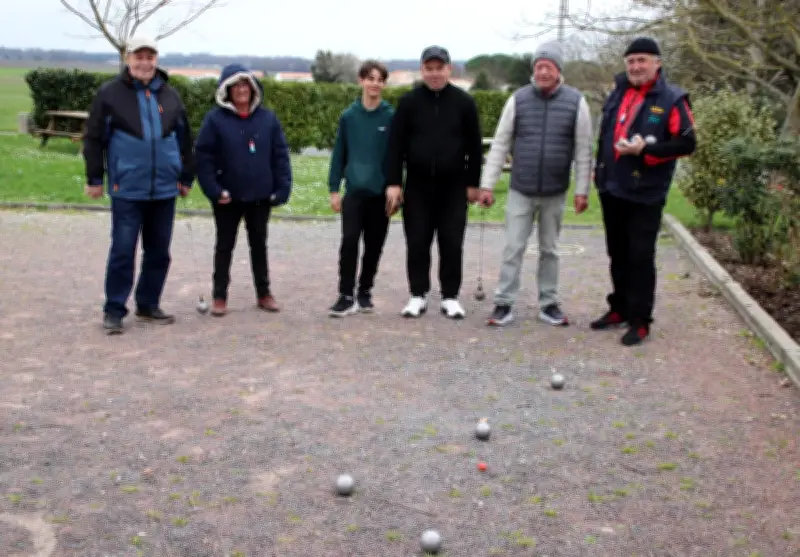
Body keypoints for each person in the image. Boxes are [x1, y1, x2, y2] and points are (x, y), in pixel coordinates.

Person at [83, 36, 195, 335]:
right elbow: (93, 138)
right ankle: (114, 310)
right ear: (128, 59)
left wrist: (185, 177)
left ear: (156, 59)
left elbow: (185, 140)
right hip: (127, 188)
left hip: (164, 189)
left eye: (150, 56)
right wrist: (94, 178)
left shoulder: (171, 95)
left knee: (159, 252)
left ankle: (148, 303)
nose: (145, 63)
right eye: (139, 56)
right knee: (122, 249)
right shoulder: (109, 94)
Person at [479, 41, 594, 328]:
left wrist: (582, 191)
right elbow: (500, 143)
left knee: (550, 250)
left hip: (555, 191)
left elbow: (583, 150)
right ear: (533, 70)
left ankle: (549, 303)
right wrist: (487, 185)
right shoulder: (517, 99)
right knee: (513, 248)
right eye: (539, 66)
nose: (543, 71)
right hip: (521, 188)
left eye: (549, 66)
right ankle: (503, 303)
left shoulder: (576, 102)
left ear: (558, 70)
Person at [591, 37, 696, 345]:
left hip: (646, 191)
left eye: (642, 60)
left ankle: (640, 319)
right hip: (612, 186)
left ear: (657, 63)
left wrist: (646, 150)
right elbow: (606, 135)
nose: (636, 66)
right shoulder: (618, 91)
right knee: (618, 253)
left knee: (640, 255)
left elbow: (687, 143)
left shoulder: (672, 98)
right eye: (631, 61)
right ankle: (619, 308)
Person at [385, 45, 484, 319]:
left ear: (449, 69)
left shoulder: (464, 103)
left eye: (439, 68)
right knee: (417, 242)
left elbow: (474, 147)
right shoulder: (409, 103)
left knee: (451, 242)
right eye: (429, 69)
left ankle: (450, 296)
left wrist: (473, 183)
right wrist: (394, 182)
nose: (434, 73)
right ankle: (418, 294)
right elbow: (395, 147)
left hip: (453, 187)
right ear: (422, 70)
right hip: (417, 186)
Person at [194, 63, 292, 316]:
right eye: (235, 85)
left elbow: (280, 154)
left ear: (253, 87)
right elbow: (203, 157)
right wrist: (214, 190)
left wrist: (282, 187)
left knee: (259, 245)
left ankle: (264, 293)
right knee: (224, 246)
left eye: (245, 84)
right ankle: (219, 296)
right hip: (227, 196)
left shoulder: (268, 119)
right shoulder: (214, 120)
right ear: (226, 89)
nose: (241, 89)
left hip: (260, 196)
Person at [327, 60, 395, 317]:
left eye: (380, 79)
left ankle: (364, 291)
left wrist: (395, 186)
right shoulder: (349, 117)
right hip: (354, 192)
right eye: (370, 78)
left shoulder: (390, 117)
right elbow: (339, 155)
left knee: (374, 245)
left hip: (380, 193)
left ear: (384, 84)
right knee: (350, 241)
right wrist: (334, 189)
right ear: (361, 81)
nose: (375, 83)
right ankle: (346, 295)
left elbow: (396, 155)